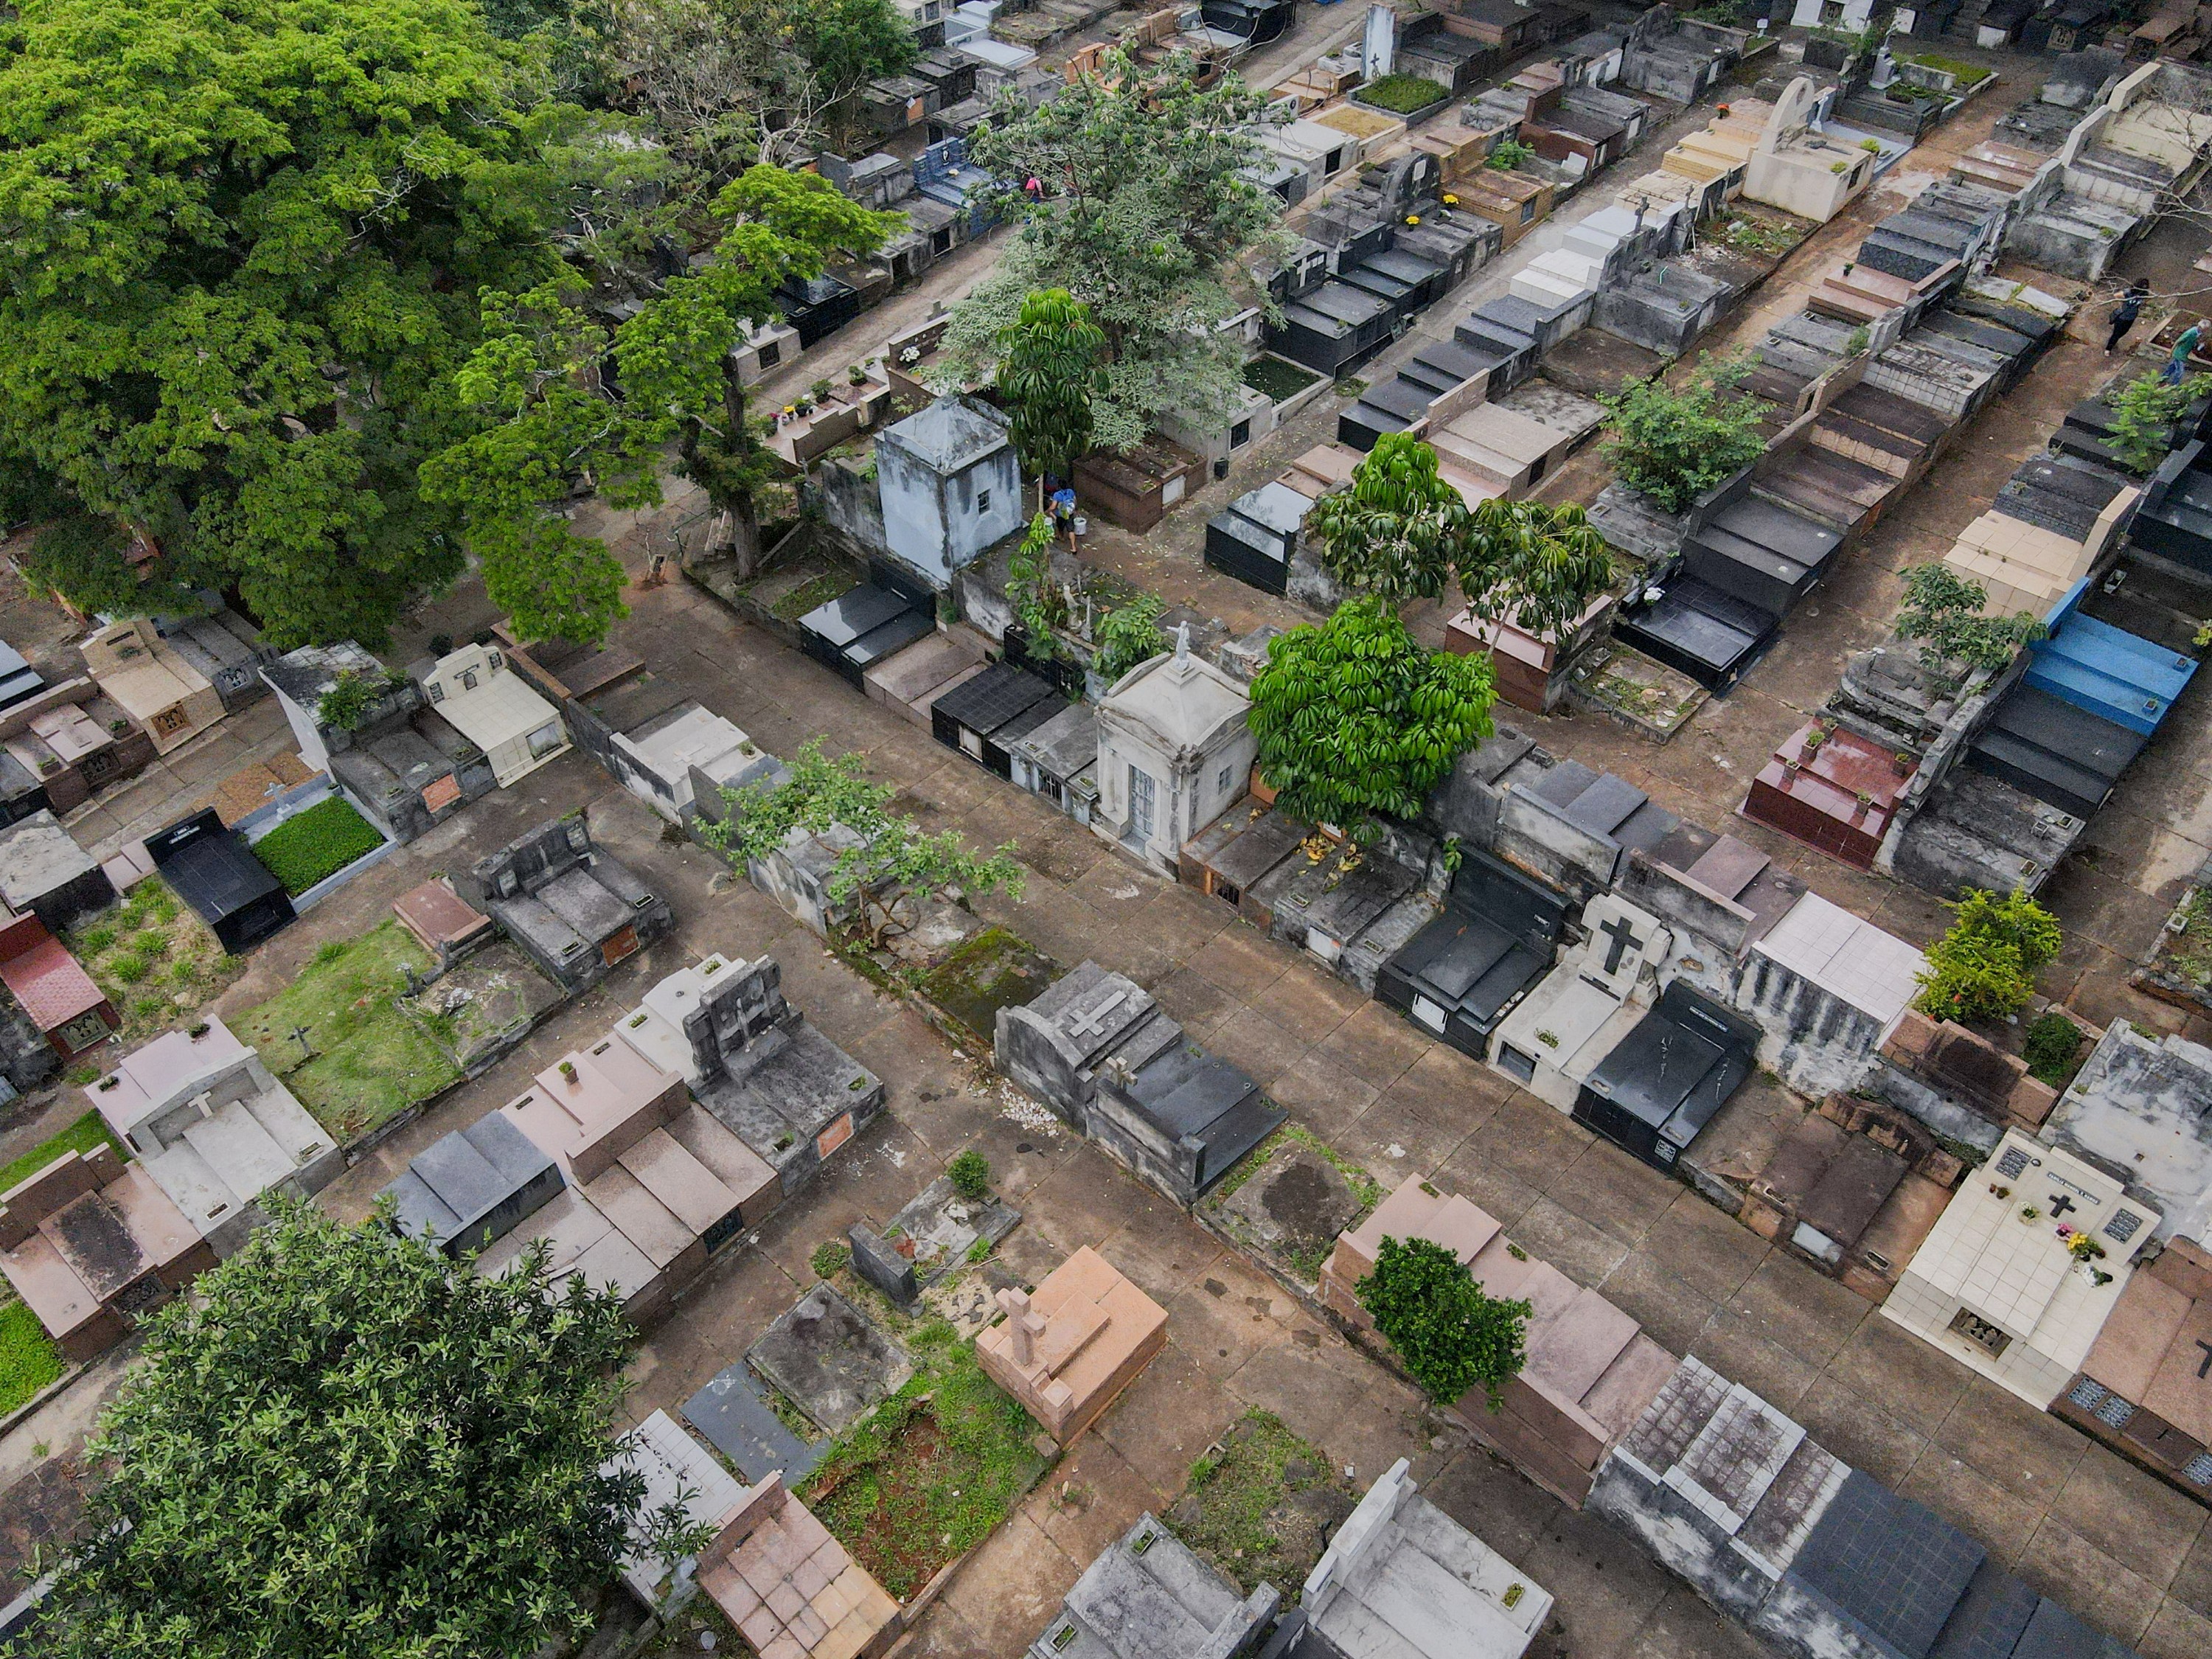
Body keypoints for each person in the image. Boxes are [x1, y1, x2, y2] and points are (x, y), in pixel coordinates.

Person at [2107, 278, 2149, 353]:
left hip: (2132, 317)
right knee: (2116, 334)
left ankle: (2112, 340)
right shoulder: (2129, 292)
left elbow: (2146, 300)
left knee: (2124, 332)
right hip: (2122, 316)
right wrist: (2121, 304)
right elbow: (2116, 295)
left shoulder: (2144, 294)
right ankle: (2108, 349)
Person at [2162, 319, 2202, 386]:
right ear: (2200, 327)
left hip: (2183, 353)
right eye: (2205, 329)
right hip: (2179, 354)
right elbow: (2178, 341)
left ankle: (2162, 379)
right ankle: (2174, 385)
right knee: (2180, 371)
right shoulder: (2191, 332)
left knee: (2172, 368)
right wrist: (2171, 352)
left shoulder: (2198, 333)